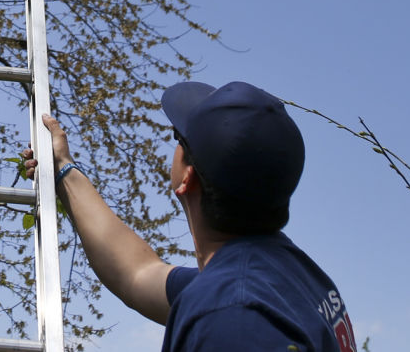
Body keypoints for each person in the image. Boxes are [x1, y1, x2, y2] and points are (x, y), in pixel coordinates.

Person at [25, 81, 356, 352]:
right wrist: (63, 170)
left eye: (177, 139)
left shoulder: (233, 317)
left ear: (188, 177)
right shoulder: (281, 275)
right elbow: (137, 274)